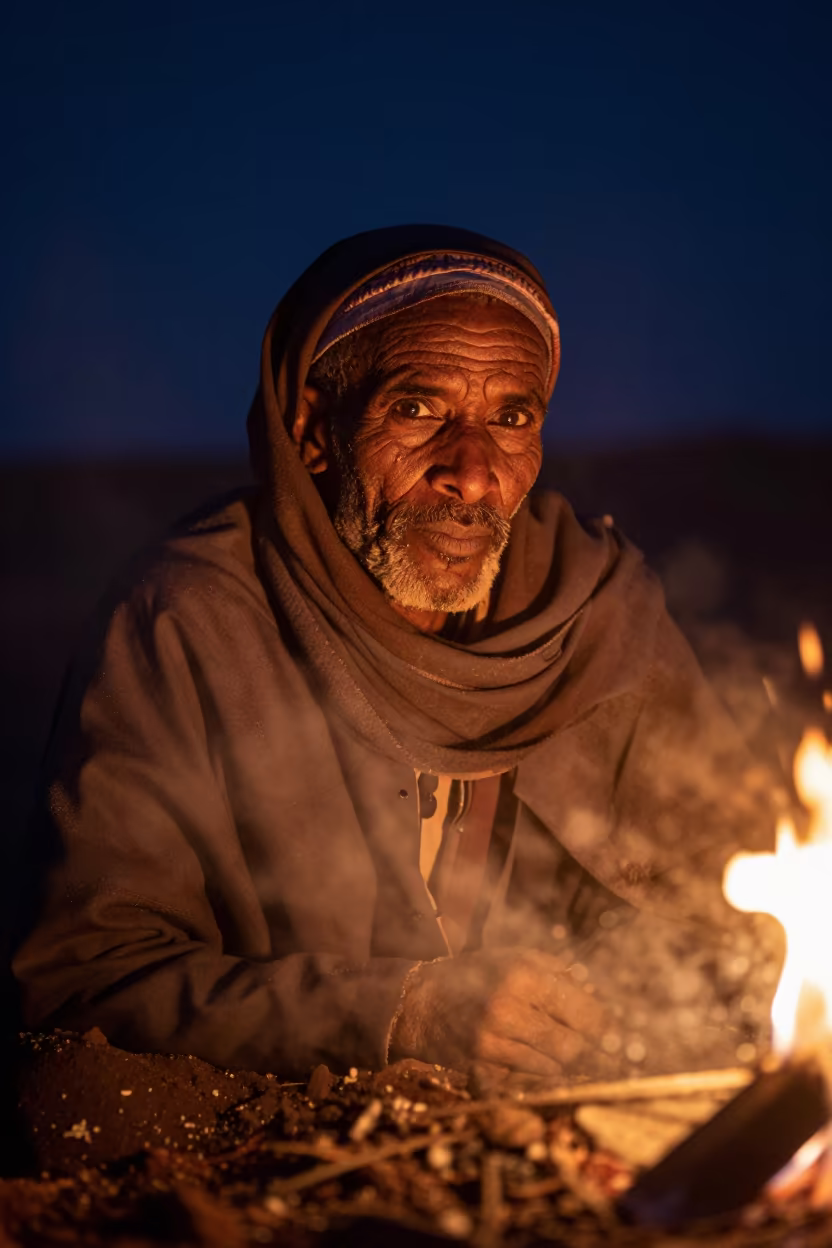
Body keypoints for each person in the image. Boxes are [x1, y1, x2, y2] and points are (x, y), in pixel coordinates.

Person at [11, 226, 772, 1085]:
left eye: (512, 420)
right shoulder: (189, 619)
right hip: (292, 1115)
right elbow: (81, 976)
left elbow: (745, 891)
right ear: (311, 431)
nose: (474, 473)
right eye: (417, 410)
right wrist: (397, 1014)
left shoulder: (596, 607)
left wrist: (629, 1001)